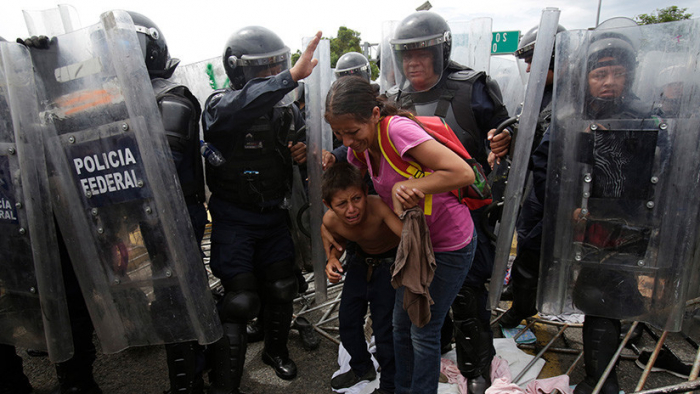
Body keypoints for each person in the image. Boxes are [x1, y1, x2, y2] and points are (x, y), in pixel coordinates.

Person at [325, 76, 477, 394]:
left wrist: (409, 186)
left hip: (449, 245)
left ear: (375, 115)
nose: (347, 141)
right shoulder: (360, 153)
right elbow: (348, 201)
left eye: (352, 131)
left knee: (423, 329)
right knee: (399, 325)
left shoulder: (396, 131)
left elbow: (463, 172)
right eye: (339, 134)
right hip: (413, 248)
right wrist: (329, 234)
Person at [387, 11, 511, 393]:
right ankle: (434, 352)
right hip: (414, 220)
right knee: (419, 294)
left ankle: (476, 367)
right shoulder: (393, 98)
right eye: (406, 55)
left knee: (469, 294)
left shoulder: (471, 87)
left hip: (464, 213)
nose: (414, 63)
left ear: (441, 51)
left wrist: (503, 142)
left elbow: (505, 133)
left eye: (422, 53)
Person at [201, 25, 320, 393]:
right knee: (240, 300)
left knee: (282, 287)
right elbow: (243, 104)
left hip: (273, 216)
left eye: (276, 67)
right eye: (262, 70)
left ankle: (275, 351)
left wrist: (301, 157)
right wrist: (287, 78)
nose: (271, 76)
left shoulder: (287, 113)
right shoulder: (220, 106)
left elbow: (301, 157)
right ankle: (225, 383)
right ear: (239, 71)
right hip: (234, 218)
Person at [123, 11, 211, 394]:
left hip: (176, 213)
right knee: (171, 293)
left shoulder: (171, 98)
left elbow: (161, 168)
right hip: (151, 214)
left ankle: (194, 380)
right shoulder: (132, 99)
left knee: (181, 295)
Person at [567, 30, 648, 394]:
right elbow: (564, 171)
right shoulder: (573, 119)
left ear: (630, 75)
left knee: (609, 294)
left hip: (630, 224)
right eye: (600, 74)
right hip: (588, 224)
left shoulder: (647, 119)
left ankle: (602, 379)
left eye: (617, 73)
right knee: (594, 294)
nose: (609, 82)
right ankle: (602, 375)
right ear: (586, 77)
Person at [499, 24, 566, 329]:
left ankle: (523, 307)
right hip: (535, 187)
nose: (528, 68)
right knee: (526, 242)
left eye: (534, 60)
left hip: (559, 190)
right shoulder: (542, 95)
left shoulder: (572, 94)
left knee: (533, 251)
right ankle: (520, 294)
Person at [322, 163, 402, 394]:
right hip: (359, 263)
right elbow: (336, 243)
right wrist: (332, 260)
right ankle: (361, 367)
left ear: (366, 192)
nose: (351, 209)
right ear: (329, 205)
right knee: (347, 321)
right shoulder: (330, 220)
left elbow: (408, 237)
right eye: (341, 204)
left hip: (390, 266)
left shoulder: (378, 208)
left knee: (385, 329)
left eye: (356, 199)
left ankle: (390, 383)